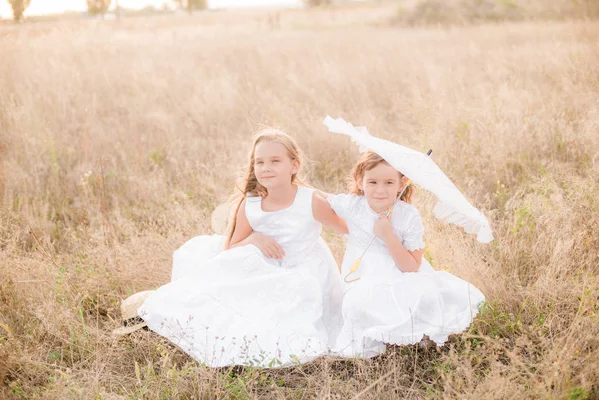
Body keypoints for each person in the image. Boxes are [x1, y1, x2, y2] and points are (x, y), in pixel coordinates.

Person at [137, 128, 347, 368]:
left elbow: (346, 228)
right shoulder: (252, 203)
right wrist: (255, 239)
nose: (266, 167)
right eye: (260, 162)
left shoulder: (310, 201)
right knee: (219, 288)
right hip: (263, 263)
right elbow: (232, 247)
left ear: (294, 165)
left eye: (275, 161)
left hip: (302, 267)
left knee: (295, 297)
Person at [326, 151, 485, 358]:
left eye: (389, 183)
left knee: (421, 296)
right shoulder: (352, 205)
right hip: (365, 275)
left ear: (402, 184)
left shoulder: (408, 216)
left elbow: (411, 267)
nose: (380, 190)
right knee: (356, 304)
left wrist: (388, 235)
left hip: (401, 270)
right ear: (359, 181)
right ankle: (383, 334)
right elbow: (314, 197)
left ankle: (415, 336)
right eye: (372, 182)